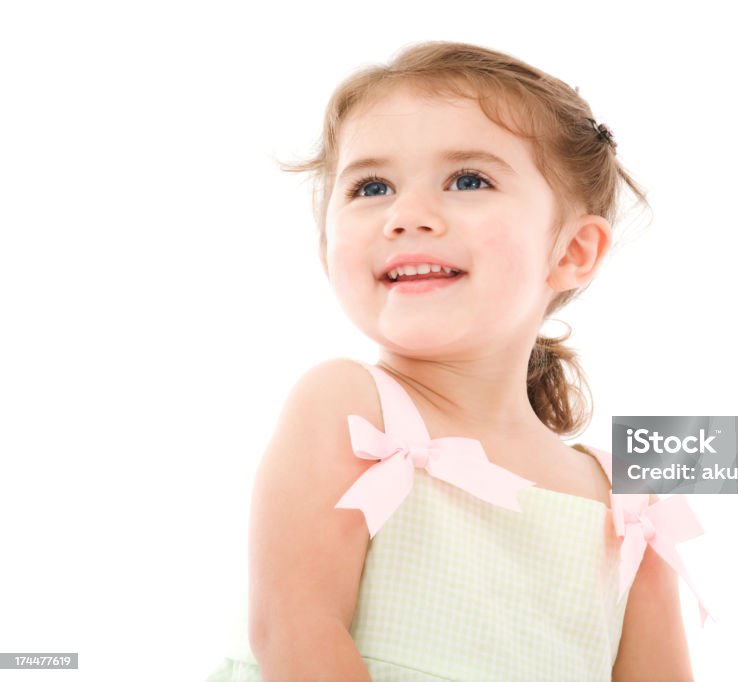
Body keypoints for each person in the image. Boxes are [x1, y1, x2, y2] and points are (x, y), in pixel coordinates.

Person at [205, 40, 707, 682]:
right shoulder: (349, 405)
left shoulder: (627, 497)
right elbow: (294, 632)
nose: (405, 216)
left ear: (574, 250)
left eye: (469, 180)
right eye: (371, 186)